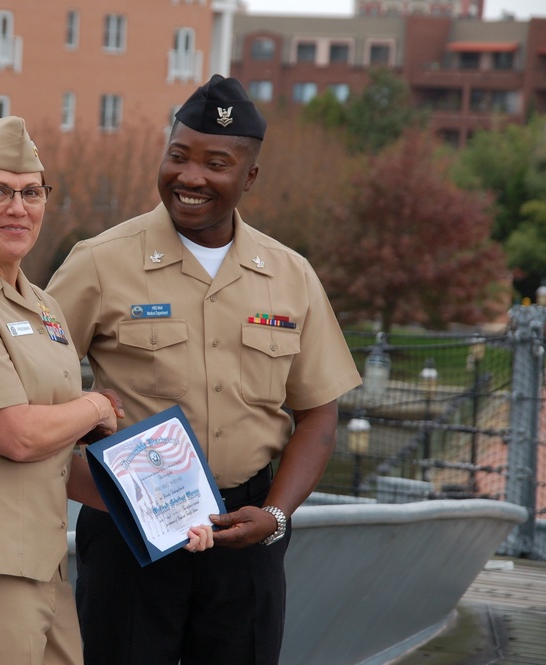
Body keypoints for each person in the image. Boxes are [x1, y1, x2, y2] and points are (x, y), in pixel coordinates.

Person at [46, 74, 362, 665]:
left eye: (216, 163)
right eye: (178, 156)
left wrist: (275, 516)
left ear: (250, 178)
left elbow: (319, 413)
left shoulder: (291, 276)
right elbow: (34, 394)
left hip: (246, 532)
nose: (191, 177)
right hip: (129, 535)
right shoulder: (98, 262)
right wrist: (91, 488)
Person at [0, 116, 214, 665]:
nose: (18, 207)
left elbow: (54, 460)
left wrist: (166, 513)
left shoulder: (43, 307)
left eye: (31, 192)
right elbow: (15, 437)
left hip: (41, 566)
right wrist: (96, 405)